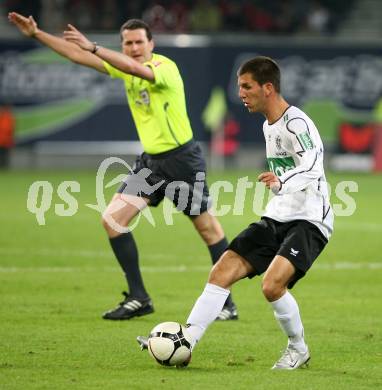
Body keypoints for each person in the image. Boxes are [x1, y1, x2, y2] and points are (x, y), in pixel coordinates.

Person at [8, 12, 238, 321]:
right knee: (113, 219)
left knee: (208, 230)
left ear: (151, 44)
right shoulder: (125, 69)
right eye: (127, 43)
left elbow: (128, 65)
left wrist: (94, 47)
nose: (132, 48)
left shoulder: (164, 67)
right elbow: (77, 56)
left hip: (181, 161)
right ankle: (139, 297)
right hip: (151, 164)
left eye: (138, 42)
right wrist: (37, 34)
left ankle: (226, 303)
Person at [138, 56, 334, 369]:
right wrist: (280, 186)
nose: (241, 93)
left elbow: (313, 165)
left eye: (247, 86)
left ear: (267, 88)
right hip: (277, 216)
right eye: (239, 86)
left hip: (310, 220)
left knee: (271, 286)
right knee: (221, 271)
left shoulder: (296, 122)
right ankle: (186, 340)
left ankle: (298, 349)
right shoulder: (268, 125)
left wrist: (282, 180)